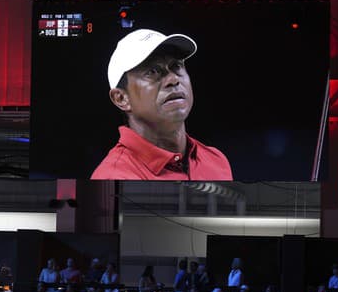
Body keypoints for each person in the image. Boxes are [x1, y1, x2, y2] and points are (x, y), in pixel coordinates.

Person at [90, 28, 233, 181]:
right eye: (152, 71)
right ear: (121, 98)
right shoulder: (113, 179)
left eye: (176, 66)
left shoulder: (217, 161)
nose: (173, 80)